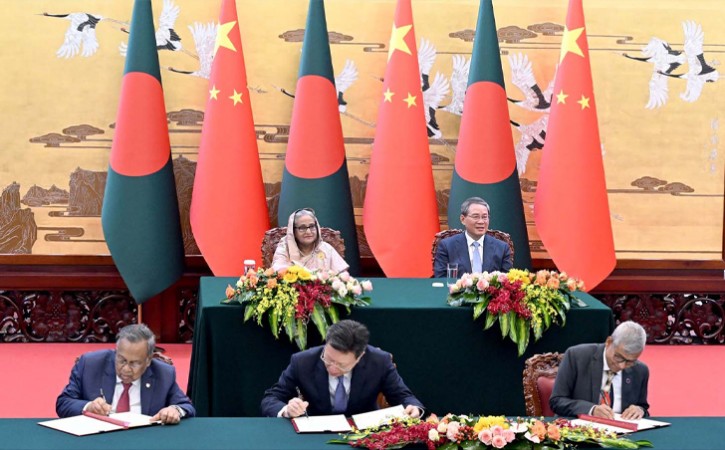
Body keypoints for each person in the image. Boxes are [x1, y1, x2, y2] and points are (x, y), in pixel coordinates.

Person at [261, 320, 424, 418]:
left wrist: (414, 409)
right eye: (328, 359)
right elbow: (271, 398)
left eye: (341, 365)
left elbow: (403, 396)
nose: (332, 368)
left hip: (364, 434)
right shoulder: (303, 361)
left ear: (360, 357)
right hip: (315, 434)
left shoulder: (379, 361)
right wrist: (287, 410)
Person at [56, 323, 195, 424]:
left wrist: (174, 410)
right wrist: (88, 407)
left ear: (148, 361)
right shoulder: (90, 365)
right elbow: (63, 403)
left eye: (134, 363)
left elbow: (186, 406)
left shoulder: (163, 374)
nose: (126, 369)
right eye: (121, 360)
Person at [549, 321, 649, 419]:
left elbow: (643, 407)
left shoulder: (640, 371)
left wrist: (639, 410)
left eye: (630, 361)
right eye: (618, 357)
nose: (622, 366)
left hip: (622, 428)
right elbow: (557, 401)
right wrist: (591, 410)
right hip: (580, 426)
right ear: (609, 342)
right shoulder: (576, 357)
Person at [433, 197, 513, 277]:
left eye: (484, 217)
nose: (481, 222)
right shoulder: (447, 246)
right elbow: (440, 279)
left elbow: (507, 280)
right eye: (475, 217)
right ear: (463, 219)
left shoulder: (502, 248)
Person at [272, 208, 349, 273]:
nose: (308, 232)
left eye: (312, 226)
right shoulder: (285, 247)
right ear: (293, 231)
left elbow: (342, 274)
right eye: (302, 228)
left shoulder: (326, 248)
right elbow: (278, 270)